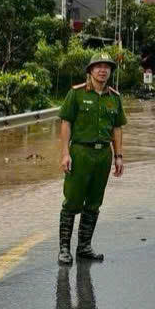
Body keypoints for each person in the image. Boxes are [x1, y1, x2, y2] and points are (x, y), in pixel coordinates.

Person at [56, 53, 127, 265]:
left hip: (103, 155)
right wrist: (65, 153)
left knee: (94, 203)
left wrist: (119, 156)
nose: (103, 70)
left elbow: (117, 128)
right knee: (72, 201)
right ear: (90, 71)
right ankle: (64, 249)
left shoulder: (114, 98)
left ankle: (84, 247)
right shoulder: (76, 94)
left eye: (107, 67)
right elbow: (66, 123)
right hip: (80, 152)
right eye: (98, 67)